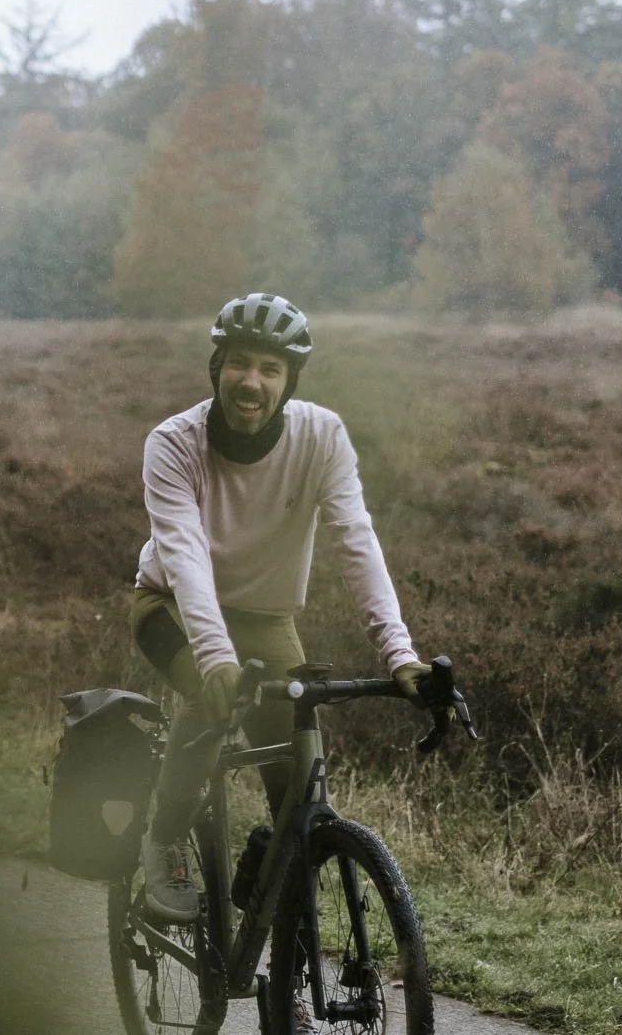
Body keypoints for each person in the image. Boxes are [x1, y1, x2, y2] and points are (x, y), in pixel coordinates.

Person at [130, 292, 432, 924]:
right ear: (216, 370)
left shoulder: (322, 437)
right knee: (209, 707)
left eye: (271, 369)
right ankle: (164, 842)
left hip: (265, 618)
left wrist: (399, 653)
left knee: (300, 782)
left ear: (289, 382)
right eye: (240, 363)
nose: (252, 381)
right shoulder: (174, 444)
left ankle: (283, 945)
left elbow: (357, 542)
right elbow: (184, 557)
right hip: (172, 607)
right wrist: (214, 660)